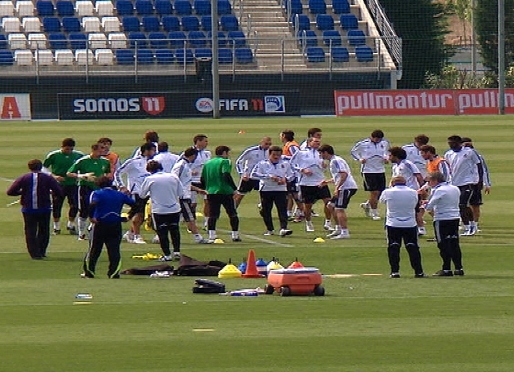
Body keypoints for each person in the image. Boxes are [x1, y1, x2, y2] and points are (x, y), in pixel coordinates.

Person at [7, 159, 63, 259]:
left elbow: (10, 191)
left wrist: (22, 192)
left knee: (30, 231)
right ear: (41, 167)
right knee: (44, 230)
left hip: (28, 209)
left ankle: (34, 253)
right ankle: (42, 251)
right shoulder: (47, 178)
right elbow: (59, 191)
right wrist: (49, 192)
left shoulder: (24, 177)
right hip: (44, 208)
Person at [82, 176, 135, 279]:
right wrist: (128, 217)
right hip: (115, 225)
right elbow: (135, 205)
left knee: (94, 249)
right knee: (114, 250)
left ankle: (90, 272)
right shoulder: (120, 194)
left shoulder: (97, 193)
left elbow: (92, 204)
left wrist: (91, 217)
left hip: (100, 224)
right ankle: (113, 273)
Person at [379, 176, 425, 278]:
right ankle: (418, 271)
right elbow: (416, 205)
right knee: (413, 247)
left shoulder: (388, 192)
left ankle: (395, 271)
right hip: (410, 224)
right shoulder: (413, 192)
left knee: (393, 247)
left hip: (393, 224)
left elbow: (382, 201)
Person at [421, 171, 464, 276]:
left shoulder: (438, 190)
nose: (429, 184)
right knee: (454, 243)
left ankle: (446, 269)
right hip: (455, 217)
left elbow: (429, 206)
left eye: (430, 181)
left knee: (443, 244)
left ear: (435, 180)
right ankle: (459, 268)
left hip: (442, 218)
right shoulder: (454, 188)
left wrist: (423, 203)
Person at [140, 160, 184, 261]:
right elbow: (181, 193)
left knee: (162, 232)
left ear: (150, 170)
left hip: (159, 210)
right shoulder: (173, 177)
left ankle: (167, 255)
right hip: (174, 208)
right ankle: (177, 252)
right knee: (175, 230)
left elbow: (142, 194)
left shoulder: (150, 178)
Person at [66, 143, 112, 240]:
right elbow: (69, 173)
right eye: (100, 150)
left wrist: (104, 179)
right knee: (84, 210)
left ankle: (92, 228)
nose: (102, 152)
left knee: (98, 209)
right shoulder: (83, 161)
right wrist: (82, 176)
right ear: (94, 150)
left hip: (98, 189)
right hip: (85, 188)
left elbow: (108, 173)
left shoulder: (105, 161)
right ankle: (81, 234)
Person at [115, 142, 156, 244]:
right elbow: (118, 172)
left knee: (144, 215)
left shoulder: (153, 161)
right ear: (146, 151)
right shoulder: (133, 162)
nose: (154, 152)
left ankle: (130, 233)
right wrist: (122, 186)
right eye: (153, 150)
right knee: (139, 213)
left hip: (149, 192)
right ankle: (137, 236)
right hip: (137, 191)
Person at [42, 137, 84, 235]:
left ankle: (71, 224)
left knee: (74, 205)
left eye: (71, 149)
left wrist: (79, 176)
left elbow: (83, 167)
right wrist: (54, 176)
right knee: (57, 206)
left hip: (73, 184)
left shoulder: (79, 155)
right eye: (67, 149)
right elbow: (44, 168)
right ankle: (56, 227)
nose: (69, 151)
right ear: (62, 147)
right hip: (58, 185)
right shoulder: (53, 155)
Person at [250, 145, 294, 236]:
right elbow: (253, 174)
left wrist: (285, 179)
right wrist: (269, 177)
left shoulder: (285, 164)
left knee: (282, 209)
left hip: (281, 190)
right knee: (266, 210)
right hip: (266, 189)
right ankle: (270, 229)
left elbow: (292, 175)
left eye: (278, 155)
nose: (276, 157)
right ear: (269, 154)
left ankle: (283, 228)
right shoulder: (262, 164)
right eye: (274, 154)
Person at [291, 137, 332, 232]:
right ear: (309, 142)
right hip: (306, 183)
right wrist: (302, 170)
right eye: (316, 141)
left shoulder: (320, 154)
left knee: (328, 202)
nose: (318, 143)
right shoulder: (301, 153)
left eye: (319, 142)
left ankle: (328, 222)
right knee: (308, 205)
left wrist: (324, 166)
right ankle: (308, 223)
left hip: (320, 182)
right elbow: (292, 164)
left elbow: (323, 166)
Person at [201, 145, 241, 242]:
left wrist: (206, 188)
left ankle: (212, 235)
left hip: (211, 191)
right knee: (232, 213)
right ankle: (235, 235)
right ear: (224, 153)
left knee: (213, 214)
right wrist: (234, 188)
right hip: (224, 191)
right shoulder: (225, 161)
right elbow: (226, 175)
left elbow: (202, 179)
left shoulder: (208, 163)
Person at [171, 147, 211, 244]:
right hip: (182, 197)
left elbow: (186, 183)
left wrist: (199, 190)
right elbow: (173, 180)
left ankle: (158, 237)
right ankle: (198, 237)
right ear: (193, 156)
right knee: (189, 217)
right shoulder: (181, 165)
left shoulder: (186, 165)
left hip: (184, 195)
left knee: (175, 218)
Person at [444, 135, 482, 236]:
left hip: (467, 182)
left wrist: (480, 180)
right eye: (449, 143)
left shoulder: (469, 152)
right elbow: (448, 169)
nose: (451, 145)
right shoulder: (448, 154)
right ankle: (470, 225)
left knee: (462, 205)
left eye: (452, 143)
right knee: (460, 205)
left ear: (459, 143)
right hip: (455, 183)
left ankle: (469, 227)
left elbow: (479, 165)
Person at [318, 144, 358, 239]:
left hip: (346, 187)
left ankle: (345, 232)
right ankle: (338, 228)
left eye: (321, 153)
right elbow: (338, 176)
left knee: (339, 209)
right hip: (344, 187)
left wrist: (337, 188)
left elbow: (344, 175)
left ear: (326, 152)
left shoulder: (335, 161)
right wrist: (327, 182)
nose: (320, 156)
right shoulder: (335, 160)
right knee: (330, 205)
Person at [351, 129, 390, 220]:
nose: (377, 141)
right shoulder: (363, 143)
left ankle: (367, 204)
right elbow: (353, 152)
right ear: (371, 137)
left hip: (380, 170)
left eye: (379, 139)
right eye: (376, 139)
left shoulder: (385, 143)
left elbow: (387, 152)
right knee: (374, 192)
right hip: (368, 170)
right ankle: (374, 213)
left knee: (380, 192)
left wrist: (386, 158)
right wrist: (360, 159)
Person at [388, 146, 426, 235]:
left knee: (414, 210)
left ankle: (421, 228)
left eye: (390, 156)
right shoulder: (395, 167)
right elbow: (394, 179)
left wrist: (422, 188)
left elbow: (418, 175)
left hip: (412, 191)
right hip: (400, 192)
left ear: (395, 156)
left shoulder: (407, 164)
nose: (389, 158)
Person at [461, 137, 491, 233]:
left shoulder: (477, 155)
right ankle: (466, 223)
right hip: (463, 183)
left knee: (475, 205)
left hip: (475, 183)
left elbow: (484, 169)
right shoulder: (459, 155)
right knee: (463, 204)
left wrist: (487, 183)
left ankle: (475, 225)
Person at [234, 136, 272, 207]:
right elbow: (239, 161)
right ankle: (232, 212)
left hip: (262, 178)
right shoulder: (251, 151)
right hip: (249, 177)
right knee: (239, 195)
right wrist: (242, 174)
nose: (268, 146)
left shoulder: (271, 152)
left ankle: (264, 212)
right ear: (261, 143)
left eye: (269, 144)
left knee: (266, 196)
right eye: (266, 144)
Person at [187, 134, 211, 229]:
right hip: (193, 181)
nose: (207, 143)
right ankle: (191, 224)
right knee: (193, 203)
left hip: (205, 180)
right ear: (198, 142)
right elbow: (181, 164)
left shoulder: (207, 153)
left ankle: (207, 222)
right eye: (205, 141)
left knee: (208, 201)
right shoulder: (189, 152)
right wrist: (190, 172)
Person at [280, 129, 304, 222]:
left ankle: (303, 212)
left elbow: (298, 157)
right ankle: (288, 212)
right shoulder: (288, 145)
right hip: (289, 172)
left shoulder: (292, 146)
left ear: (284, 136)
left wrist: (284, 157)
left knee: (295, 195)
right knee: (289, 194)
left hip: (294, 173)